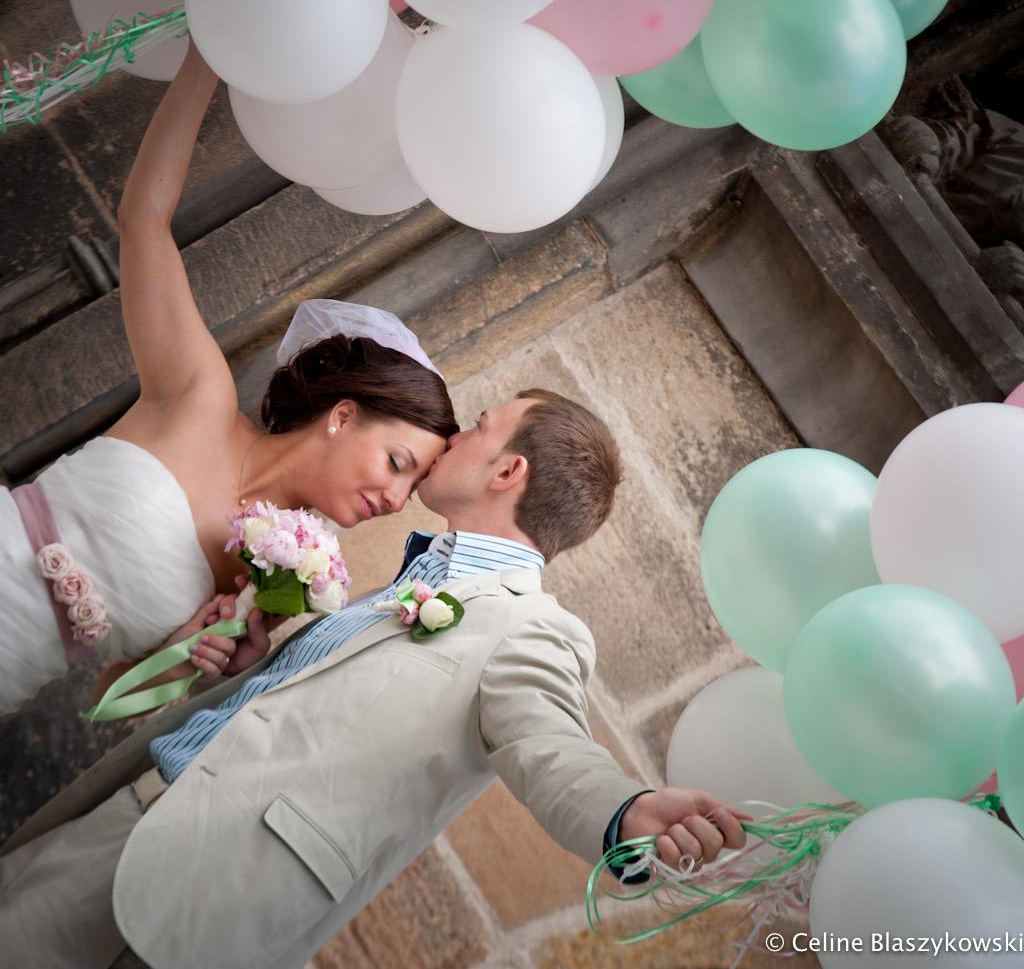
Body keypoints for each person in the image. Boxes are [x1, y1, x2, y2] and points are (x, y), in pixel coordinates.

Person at [0, 388, 748, 969]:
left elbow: (547, 741)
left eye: (479, 424)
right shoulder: (414, 580)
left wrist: (622, 811)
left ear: (509, 470)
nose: (455, 437)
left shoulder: (532, 628)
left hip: (196, 881)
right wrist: (254, 663)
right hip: (130, 808)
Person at [0, 40, 457, 714]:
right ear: (343, 414)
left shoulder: (272, 579)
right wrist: (208, 56)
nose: (395, 498)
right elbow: (143, 221)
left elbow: (108, 699)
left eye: (411, 487)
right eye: (398, 462)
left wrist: (193, 661)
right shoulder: (199, 395)